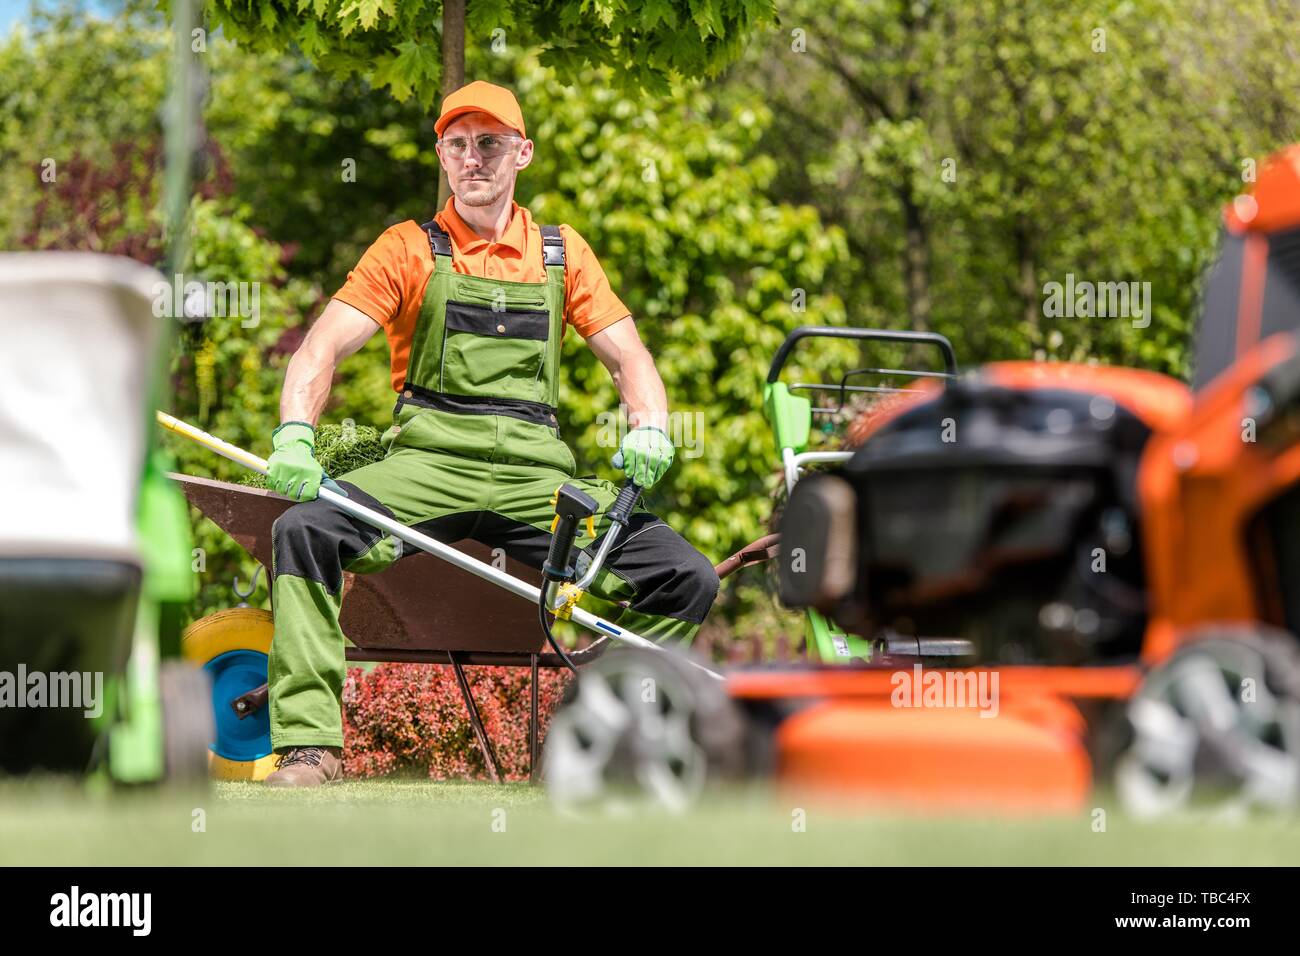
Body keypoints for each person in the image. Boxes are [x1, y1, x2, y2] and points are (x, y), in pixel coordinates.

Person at [260, 81, 720, 787]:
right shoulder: (408, 249)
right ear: (442, 155)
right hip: (428, 464)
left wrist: (651, 426)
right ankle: (311, 746)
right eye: (457, 145)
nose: (473, 159)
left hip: (541, 478)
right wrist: (295, 433)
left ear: (522, 153)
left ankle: (606, 739)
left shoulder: (563, 254)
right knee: (304, 531)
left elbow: (631, 359)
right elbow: (319, 351)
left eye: (490, 144)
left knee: (684, 575)